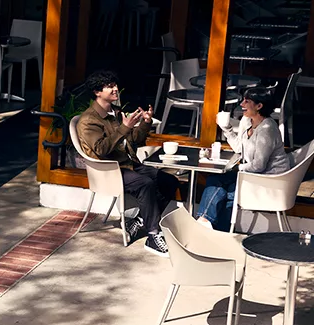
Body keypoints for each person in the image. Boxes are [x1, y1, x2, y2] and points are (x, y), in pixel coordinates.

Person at [75, 70, 178, 256]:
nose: (115, 89)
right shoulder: (88, 120)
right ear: (97, 92)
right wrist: (125, 127)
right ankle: (153, 235)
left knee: (169, 181)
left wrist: (145, 124)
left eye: (115, 85)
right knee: (145, 184)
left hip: (127, 164)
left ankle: (138, 220)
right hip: (108, 169)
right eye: (110, 86)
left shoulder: (116, 112)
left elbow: (133, 141)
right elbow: (100, 150)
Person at [194, 87, 293, 231]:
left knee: (218, 182)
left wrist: (236, 168)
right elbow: (241, 149)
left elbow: (259, 165)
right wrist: (226, 129)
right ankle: (215, 228)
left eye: (247, 101)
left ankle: (205, 222)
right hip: (255, 175)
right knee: (226, 189)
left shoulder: (267, 129)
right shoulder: (248, 122)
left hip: (269, 181)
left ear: (259, 106)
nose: (242, 104)